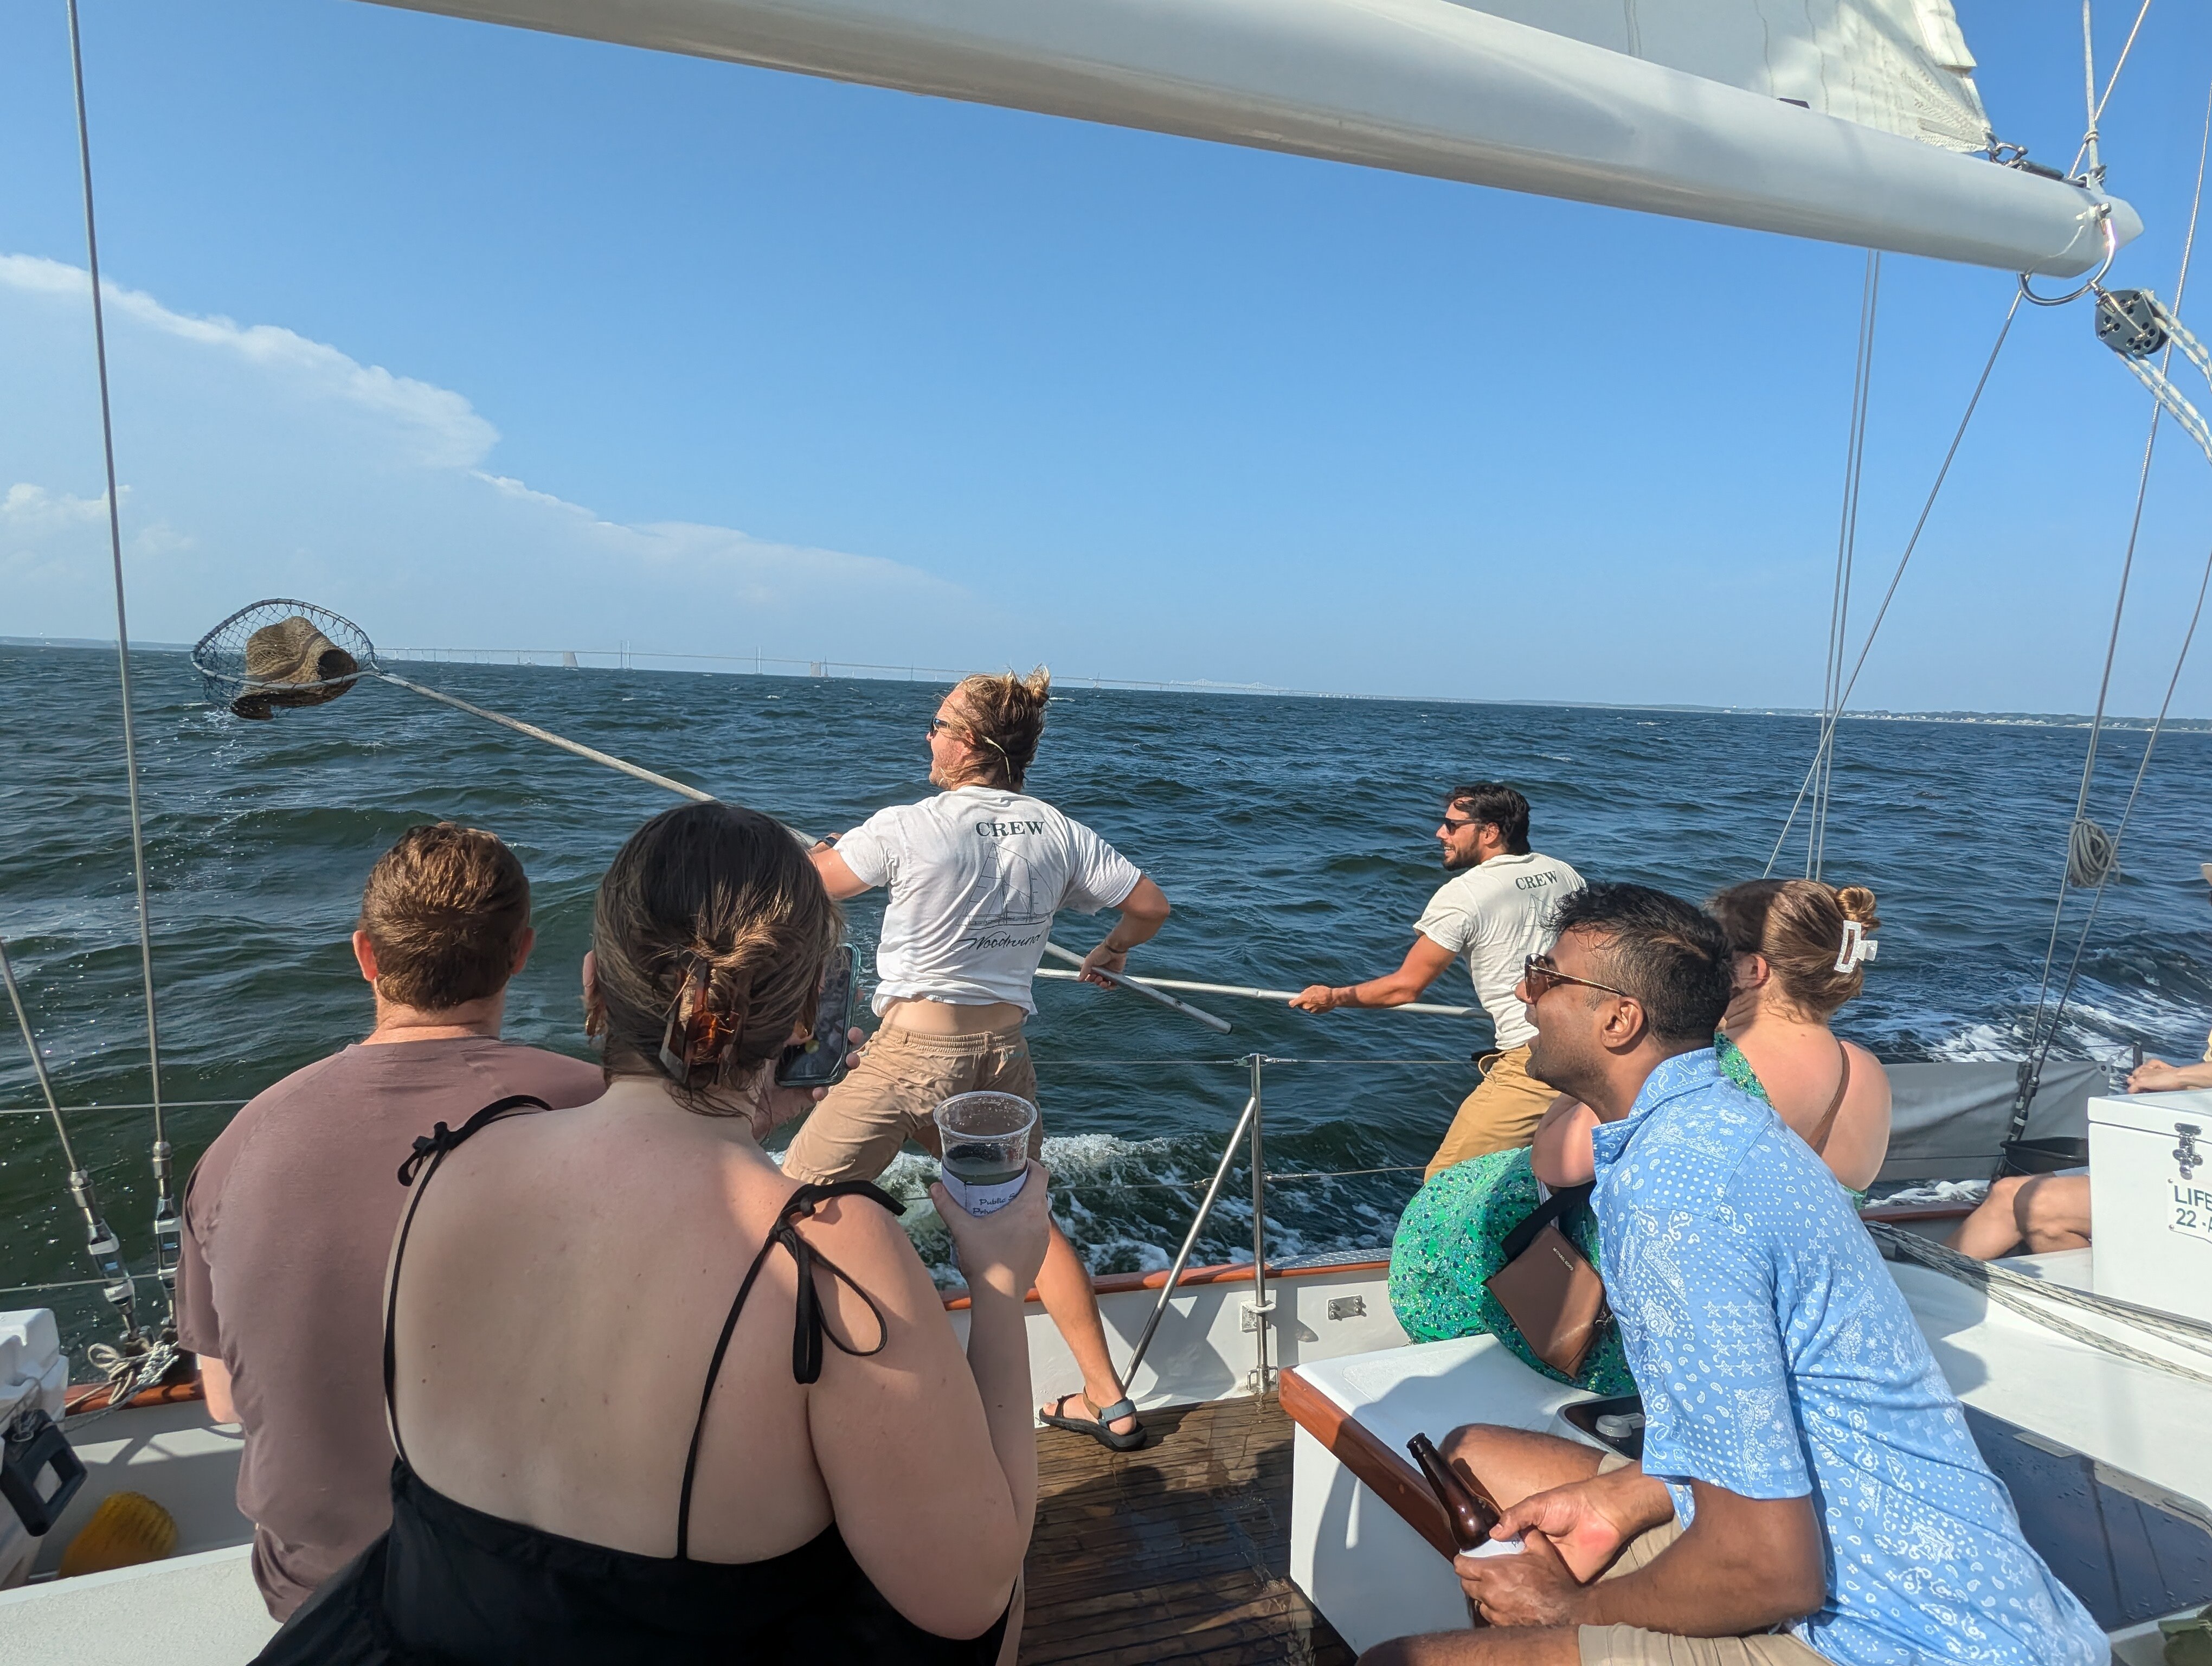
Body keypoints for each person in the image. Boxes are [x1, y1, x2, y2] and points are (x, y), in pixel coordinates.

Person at [254, 801, 1046, 1665]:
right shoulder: (826, 1250)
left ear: (595, 985)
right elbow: (966, 1598)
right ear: (801, 1021)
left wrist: (741, 1129)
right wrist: (1000, 1284)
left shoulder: (449, 1163)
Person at [1361, 883, 2106, 1666]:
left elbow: (1768, 1572)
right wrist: (1619, 1497)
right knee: (1476, 1451)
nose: (1523, 990)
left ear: (1620, 1020)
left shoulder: (1678, 1200)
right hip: (1934, 1579)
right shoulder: (1719, 1123)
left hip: (1891, 1636)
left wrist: (1572, 1611)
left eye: (1547, 977)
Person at [177, 823, 602, 1620]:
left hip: (320, 1595)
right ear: (520, 953)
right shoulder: (601, 1107)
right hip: (538, 1586)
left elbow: (227, 1405)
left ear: (367, 955)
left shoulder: (239, 1146)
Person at [788, 668, 1171, 1452]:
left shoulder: (908, 825)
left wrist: (820, 853)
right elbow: (1149, 906)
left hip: (912, 1058)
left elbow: (805, 888)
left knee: (784, 1200)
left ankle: (818, 1398)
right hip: (1001, 1058)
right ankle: (1109, 1400)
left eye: (937, 726)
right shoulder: (1057, 830)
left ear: (967, 745)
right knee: (1025, 1217)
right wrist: (1112, 953)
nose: (926, 737)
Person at [1531, 879, 1892, 1204]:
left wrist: (1594, 1049)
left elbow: (1552, 1161)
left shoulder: (1708, 1066)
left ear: (1753, 971)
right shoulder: (1864, 1068)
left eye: (1717, 953)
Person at [1291, 783, 1583, 1177]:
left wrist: (1332, 997)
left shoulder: (1462, 895)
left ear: (1490, 831)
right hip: (1594, 1044)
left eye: (1451, 825)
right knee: (1546, 1174)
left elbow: (1405, 987)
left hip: (1537, 1056)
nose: (1440, 834)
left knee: (1444, 1185)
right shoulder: (1561, 871)